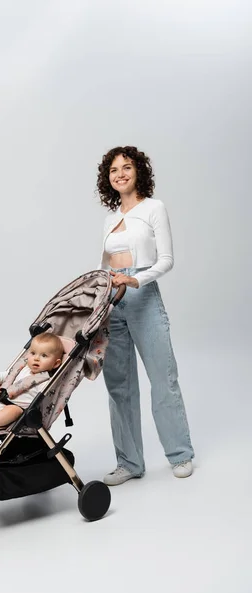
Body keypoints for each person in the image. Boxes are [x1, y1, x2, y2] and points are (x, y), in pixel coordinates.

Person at [97, 145, 194, 484]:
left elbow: (166, 260)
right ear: (107, 179)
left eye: (126, 167)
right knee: (119, 386)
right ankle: (129, 463)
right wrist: (100, 291)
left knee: (163, 381)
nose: (120, 173)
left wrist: (135, 279)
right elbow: (104, 265)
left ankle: (180, 454)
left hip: (143, 297)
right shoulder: (110, 219)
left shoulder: (154, 208)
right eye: (113, 170)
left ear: (139, 171)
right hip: (112, 303)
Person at [0, 333, 64, 432]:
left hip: (12, 409)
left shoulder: (46, 381)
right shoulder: (24, 368)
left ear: (56, 363)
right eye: (33, 353)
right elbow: (7, 376)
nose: (36, 358)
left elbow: (46, 399)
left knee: (14, 411)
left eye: (44, 355)